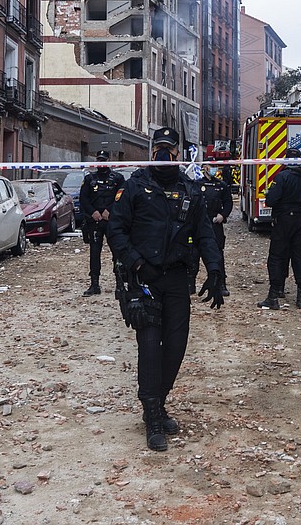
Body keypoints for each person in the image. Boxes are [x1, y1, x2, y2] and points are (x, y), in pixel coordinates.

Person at [107, 127, 226, 452]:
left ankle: (158, 402)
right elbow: (115, 230)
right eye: (158, 148)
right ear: (152, 150)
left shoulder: (191, 190)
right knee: (149, 347)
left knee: (175, 347)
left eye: (168, 149)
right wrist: (136, 263)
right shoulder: (134, 186)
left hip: (176, 278)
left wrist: (214, 269)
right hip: (143, 277)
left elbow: (204, 234)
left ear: (177, 153)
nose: (162, 154)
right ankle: (153, 416)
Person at [257, 147, 301, 310]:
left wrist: (270, 195)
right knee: (299, 257)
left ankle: (273, 295)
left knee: (276, 257)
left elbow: (271, 200)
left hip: (283, 221)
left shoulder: (282, 177)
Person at [78, 149, 126, 296]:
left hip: (111, 220)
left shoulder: (118, 178)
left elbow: (122, 197)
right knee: (94, 252)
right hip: (95, 220)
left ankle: (120, 284)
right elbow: (83, 198)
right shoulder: (89, 179)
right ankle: (94, 284)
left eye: (104, 160)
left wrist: (110, 212)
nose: (102, 163)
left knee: (117, 252)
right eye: (99, 160)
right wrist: (93, 213)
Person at [197, 166, 234, 296]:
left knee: (217, 254)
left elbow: (228, 202)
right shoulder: (198, 184)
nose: (214, 170)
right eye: (211, 167)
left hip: (215, 223)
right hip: (199, 223)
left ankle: (221, 283)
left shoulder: (221, 185)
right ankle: (189, 284)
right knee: (193, 254)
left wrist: (223, 215)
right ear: (205, 168)